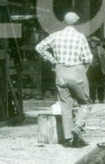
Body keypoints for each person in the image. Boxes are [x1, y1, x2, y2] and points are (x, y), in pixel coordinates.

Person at [35, 11, 92, 148]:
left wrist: (53, 61)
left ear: (64, 22)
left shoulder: (56, 36)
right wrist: (83, 70)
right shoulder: (80, 37)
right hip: (77, 71)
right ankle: (77, 127)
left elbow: (39, 47)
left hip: (60, 72)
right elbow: (88, 58)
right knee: (85, 103)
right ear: (77, 23)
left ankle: (68, 138)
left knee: (65, 105)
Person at [87, 36, 105, 103]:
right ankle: (92, 99)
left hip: (99, 68)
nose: (92, 43)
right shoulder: (87, 49)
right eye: (91, 42)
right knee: (91, 85)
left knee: (101, 84)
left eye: (94, 42)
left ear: (97, 43)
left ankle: (101, 99)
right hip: (90, 68)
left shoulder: (101, 50)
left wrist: (103, 68)